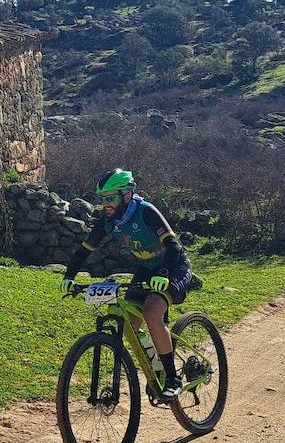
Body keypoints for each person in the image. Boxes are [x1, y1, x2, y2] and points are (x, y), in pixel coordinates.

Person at [59, 169, 201, 400]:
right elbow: (84, 250)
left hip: (173, 266)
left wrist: (164, 273)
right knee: (130, 326)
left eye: (110, 198)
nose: (105, 204)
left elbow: (173, 246)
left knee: (152, 313)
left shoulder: (146, 212)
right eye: (102, 199)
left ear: (126, 195)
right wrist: (69, 276)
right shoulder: (108, 221)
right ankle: (155, 367)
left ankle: (172, 378)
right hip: (146, 269)